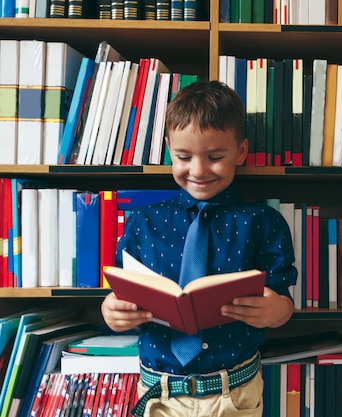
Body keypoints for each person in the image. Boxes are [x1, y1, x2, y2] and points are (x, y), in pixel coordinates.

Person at [101, 80, 297, 417]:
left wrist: (275, 311)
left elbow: (284, 302)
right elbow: (120, 291)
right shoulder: (143, 223)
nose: (199, 170)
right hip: (159, 394)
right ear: (168, 149)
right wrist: (111, 311)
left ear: (241, 151)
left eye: (215, 157)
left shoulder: (263, 222)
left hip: (234, 392)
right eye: (183, 156)